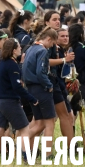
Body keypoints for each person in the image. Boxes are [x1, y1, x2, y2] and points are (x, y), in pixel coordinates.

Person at [23, 28, 58, 158]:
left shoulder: (31, 48)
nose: (52, 46)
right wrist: (49, 85)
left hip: (31, 88)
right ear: (49, 39)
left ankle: (21, 143)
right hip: (41, 89)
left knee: (39, 122)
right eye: (53, 43)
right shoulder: (42, 50)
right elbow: (41, 72)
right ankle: (48, 153)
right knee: (50, 122)